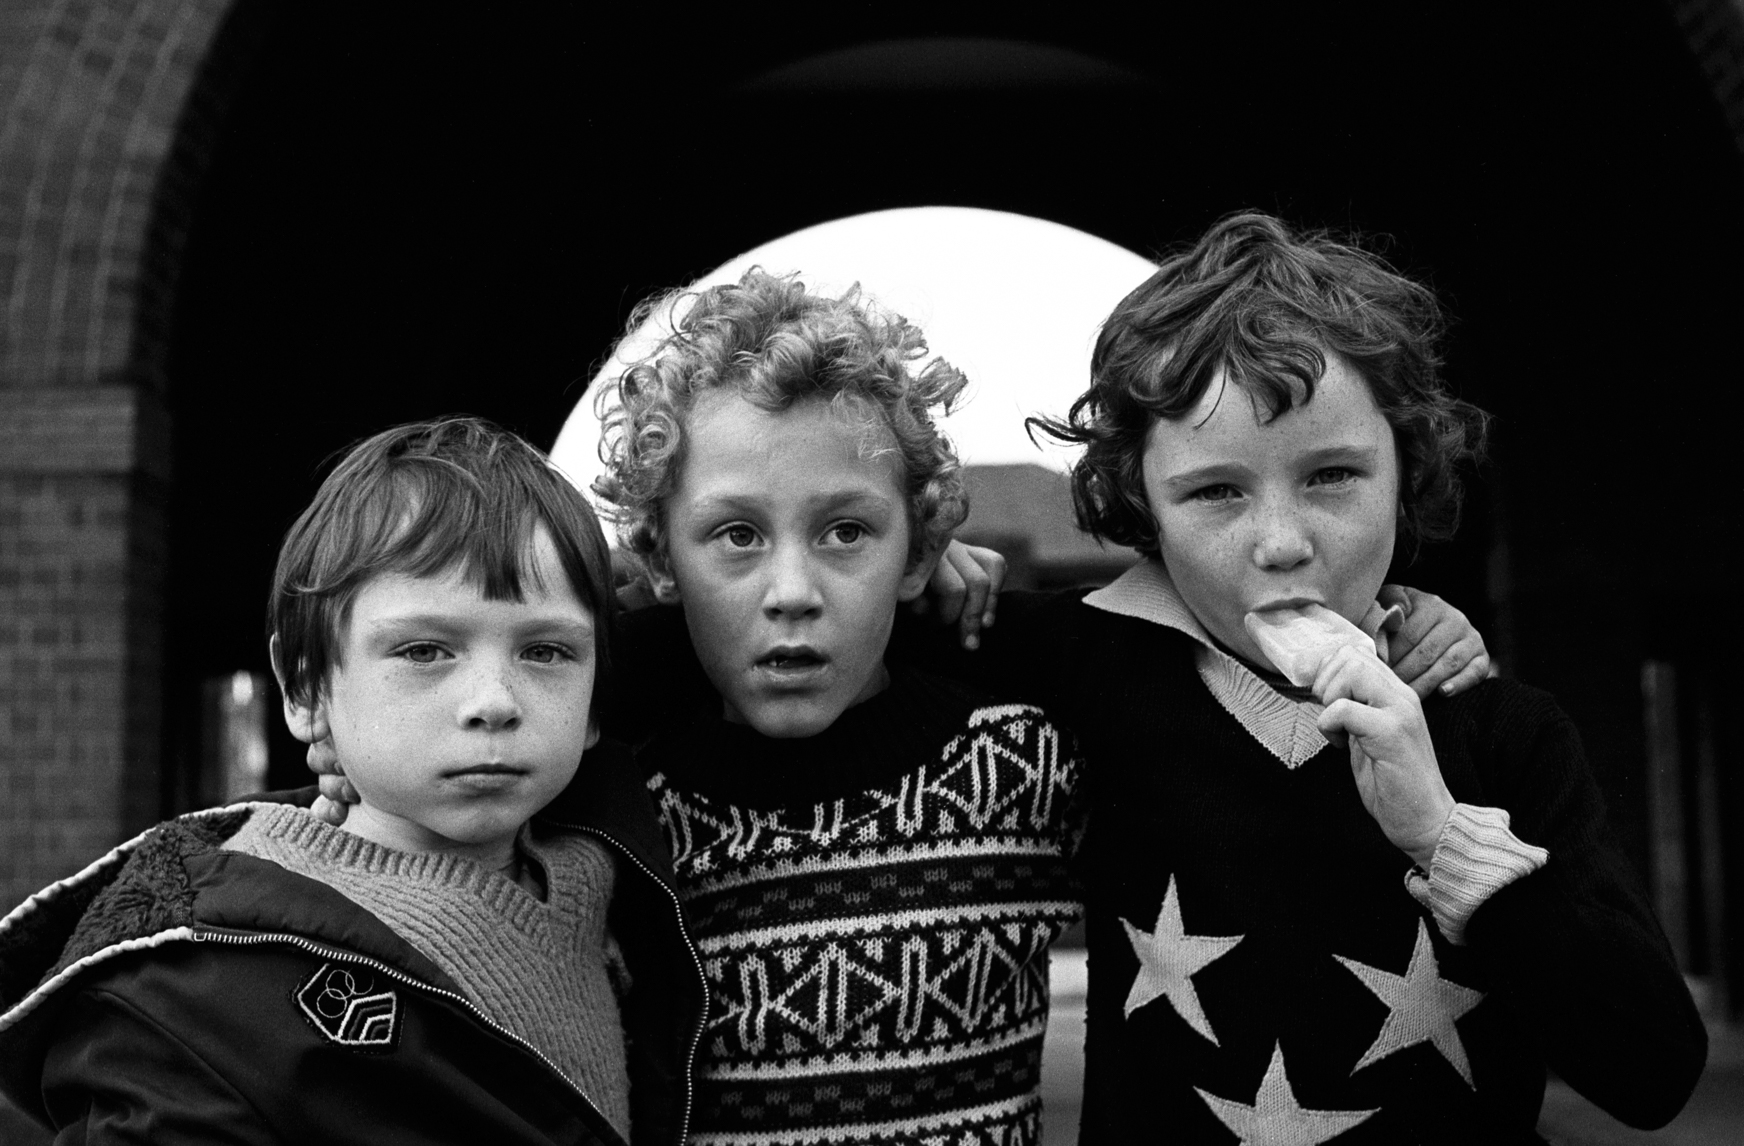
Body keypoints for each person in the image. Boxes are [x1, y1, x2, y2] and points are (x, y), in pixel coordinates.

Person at [939, 211, 1705, 1141]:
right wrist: (915, 577)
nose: (1283, 544)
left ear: (1404, 469)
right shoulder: (1064, 665)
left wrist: (1444, 836)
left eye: (1334, 475)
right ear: (1141, 499)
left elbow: (1654, 1071)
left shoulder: (1499, 733)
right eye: (1216, 491)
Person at [0, 418, 706, 1146]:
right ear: (306, 688)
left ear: (599, 698)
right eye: (426, 650)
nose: (495, 700)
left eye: (547, 651)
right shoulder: (194, 993)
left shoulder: (632, 905)